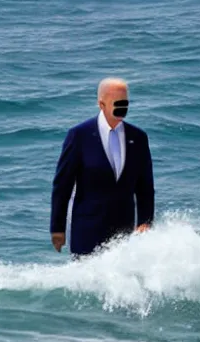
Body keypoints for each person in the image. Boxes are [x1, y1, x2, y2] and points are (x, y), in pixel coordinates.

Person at [50, 77, 155, 258]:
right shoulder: (79, 135)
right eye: (118, 103)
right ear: (102, 104)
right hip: (88, 231)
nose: (123, 107)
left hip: (124, 233)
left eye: (126, 102)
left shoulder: (138, 137)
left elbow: (145, 186)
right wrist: (57, 229)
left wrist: (145, 222)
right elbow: (63, 185)